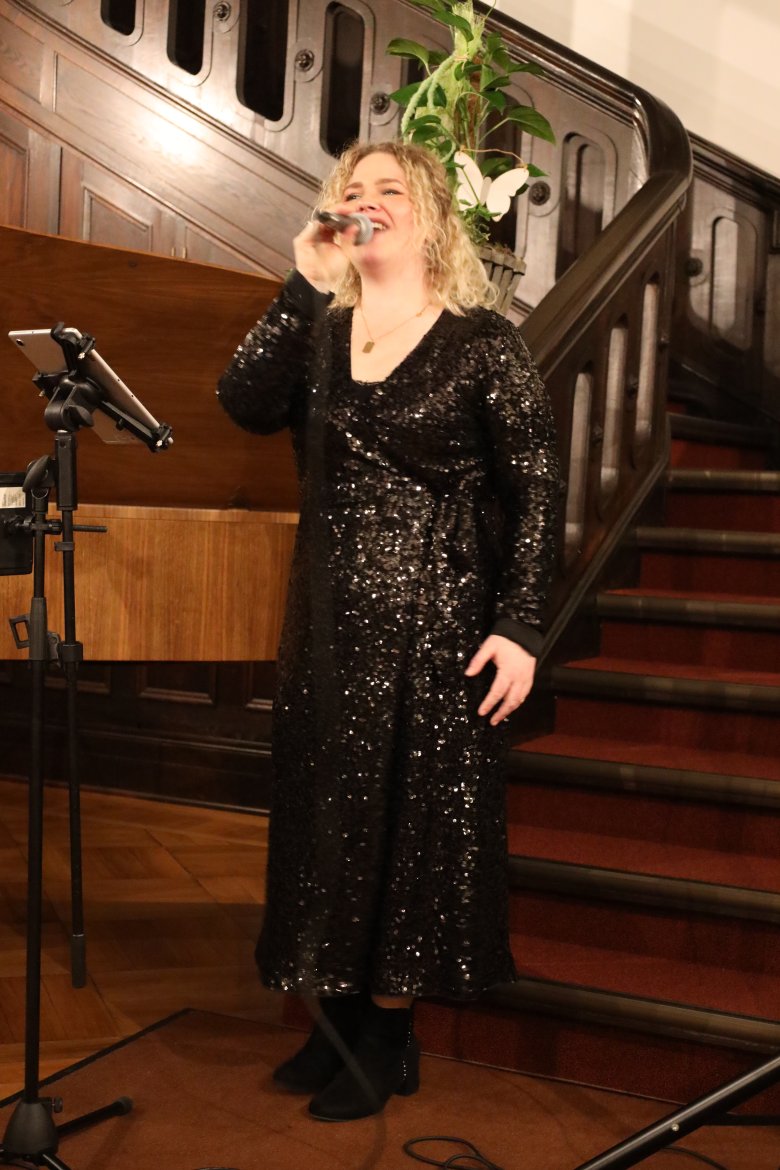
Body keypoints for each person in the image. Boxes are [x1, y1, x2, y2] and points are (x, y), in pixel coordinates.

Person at [217, 140, 561, 1123]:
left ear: (431, 217)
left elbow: (537, 492)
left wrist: (521, 626)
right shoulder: (320, 337)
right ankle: (334, 1021)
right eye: (351, 191)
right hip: (327, 626)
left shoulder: (484, 343)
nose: (365, 203)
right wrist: (302, 279)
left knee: (411, 837)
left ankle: (385, 1033)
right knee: (325, 824)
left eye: (389, 191)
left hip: (436, 628)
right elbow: (242, 402)